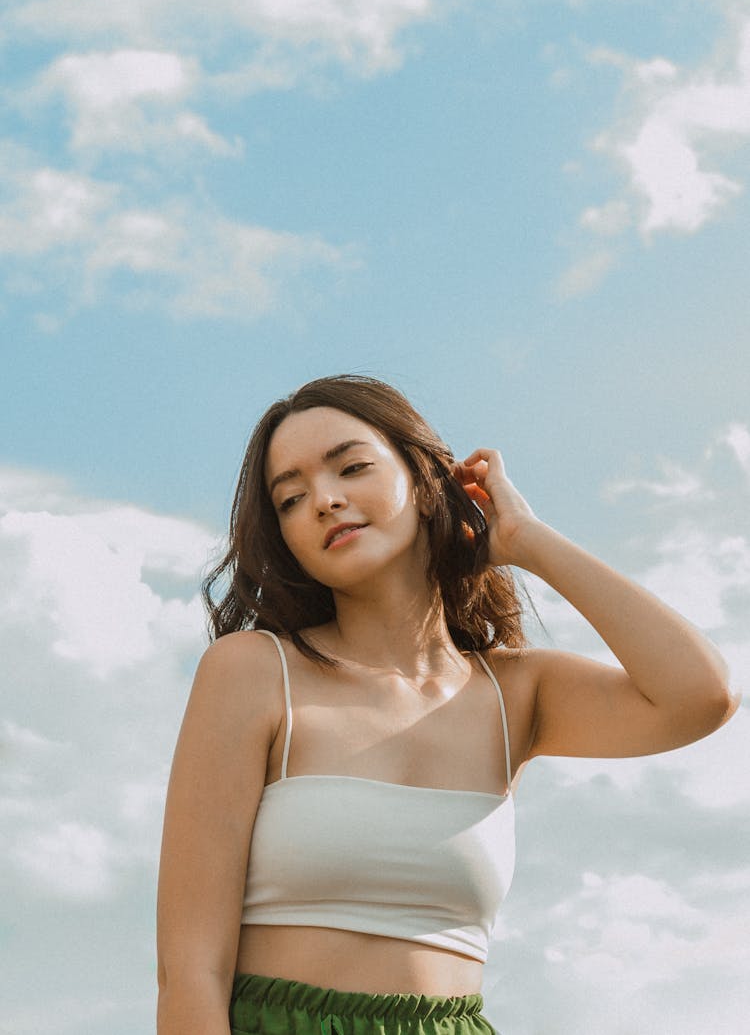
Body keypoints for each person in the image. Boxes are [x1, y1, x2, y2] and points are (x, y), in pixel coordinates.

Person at [156, 374, 738, 1035]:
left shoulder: (514, 692)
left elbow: (703, 694)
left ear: (428, 480)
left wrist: (526, 538)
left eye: (351, 466)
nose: (323, 499)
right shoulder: (254, 671)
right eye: (290, 497)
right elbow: (189, 973)